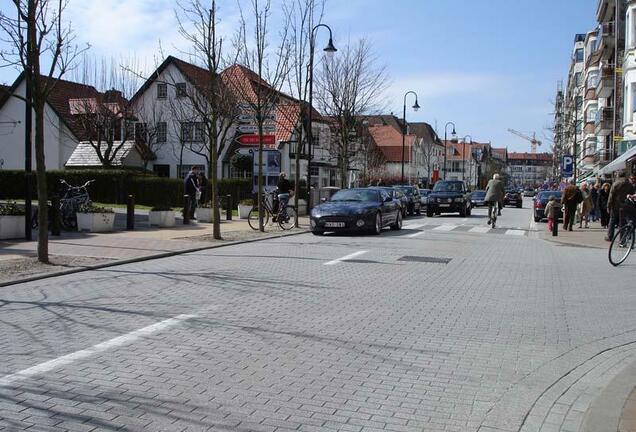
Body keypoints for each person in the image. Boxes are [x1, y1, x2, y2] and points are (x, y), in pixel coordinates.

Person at [607, 171, 636, 241]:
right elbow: (632, 194)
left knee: (612, 220)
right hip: (625, 205)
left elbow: (611, 196)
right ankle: (622, 238)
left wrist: (608, 206)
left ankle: (610, 236)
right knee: (622, 222)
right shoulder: (629, 184)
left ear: (618, 175)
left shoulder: (615, 184)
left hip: (615, 205)